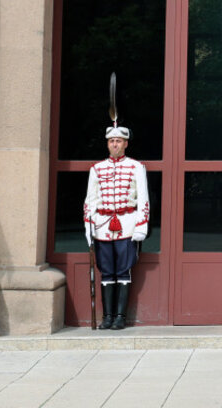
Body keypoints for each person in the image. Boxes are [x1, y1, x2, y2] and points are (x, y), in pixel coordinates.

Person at [84, 125, 149, 329]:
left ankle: (120, 316)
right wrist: (90, 226)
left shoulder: (136, 167)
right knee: (106, 271)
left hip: (127, 224)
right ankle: (107, 317)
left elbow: (143, 199)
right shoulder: (97, 169)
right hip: (103, 227)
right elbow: (90, 200)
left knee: (123, 270)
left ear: (125, 143)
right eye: (111, 141)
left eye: (119, 141)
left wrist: (141, 226)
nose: (115, 144)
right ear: (107, 144)